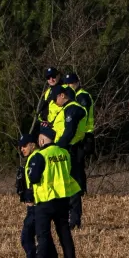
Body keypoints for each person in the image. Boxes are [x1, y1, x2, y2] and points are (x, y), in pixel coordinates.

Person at [26, 125, 80, 258]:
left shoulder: (40, 155)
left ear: (42, 140)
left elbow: (33, 177)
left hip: (45, 201)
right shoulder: (64, 153)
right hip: (63, 200)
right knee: (65, 236)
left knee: (43, 237)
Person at [46, 86, 90, 229]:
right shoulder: (66, 109)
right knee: (64, 184)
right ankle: (67, 217)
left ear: (62, 95)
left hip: (70, 150)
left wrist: (57, 148)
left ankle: (74, 219)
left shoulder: (73, 108)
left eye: (55, 99)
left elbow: (69, 132)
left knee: (72, 184)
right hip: (65, 149)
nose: (54, 102)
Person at [15, 132, 56, 258]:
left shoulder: (37, 157)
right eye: (20, 146)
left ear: (33, 144)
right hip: (37, 204)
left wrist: (30, 195)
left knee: (27, 237)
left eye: (25, 145)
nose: (22, 149)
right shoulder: (32, 158)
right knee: (44, 237)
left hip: (37, 205)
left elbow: (36, 180)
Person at [62, 72, 96, 227]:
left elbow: (82, 117)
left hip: (82, 139)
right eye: (67, 83)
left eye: (72, 83)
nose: (70, 86)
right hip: (74, 139)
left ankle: (76, 208)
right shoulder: (70, 97)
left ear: (78, 82)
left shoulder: (82, 96)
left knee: (76, 175)